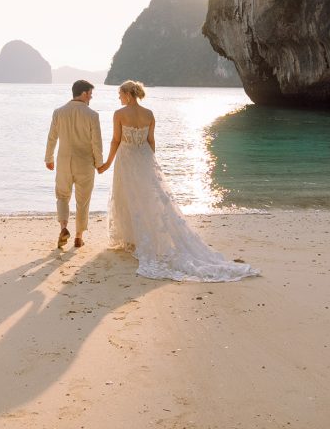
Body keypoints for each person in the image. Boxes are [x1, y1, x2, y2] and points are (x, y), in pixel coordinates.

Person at [97, 80, 260, 282]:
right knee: (148, 198)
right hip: (145, 158)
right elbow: (151, 141)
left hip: (127, 159)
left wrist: (106, 163)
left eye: (120, 94)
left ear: (128, 95)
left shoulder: (119, 114)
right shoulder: (149, 114)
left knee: (127, 196)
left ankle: (132, 240)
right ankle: (137, 238)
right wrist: (150, 163)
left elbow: (115, 140)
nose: (119, 98)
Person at [45, 79, 104, 249]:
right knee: (83, 200)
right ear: (84, 93)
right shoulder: (92, 115)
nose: (91, 97)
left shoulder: (59, 112)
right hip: (85, 163)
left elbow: (52, 138)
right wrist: (99, 163)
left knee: (62, 196)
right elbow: (96, 143)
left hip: (63, 161)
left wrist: (49, 158)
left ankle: (64, 227)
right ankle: (78, 237)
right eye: (90, 94)